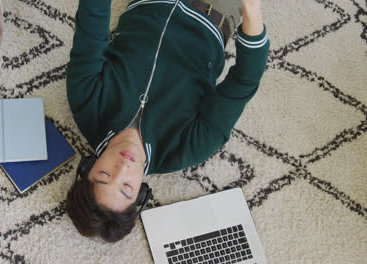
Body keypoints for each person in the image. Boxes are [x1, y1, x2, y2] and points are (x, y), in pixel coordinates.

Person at [65, 0, 269, 242]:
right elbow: (245, 80)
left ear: (88, 168)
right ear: (141, 194)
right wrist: (252, 9)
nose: (122, 168)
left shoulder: (85, 101)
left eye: (105, 175)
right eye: (127, 187)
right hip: (214, 10)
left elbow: (93, 18)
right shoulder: (190, 148)